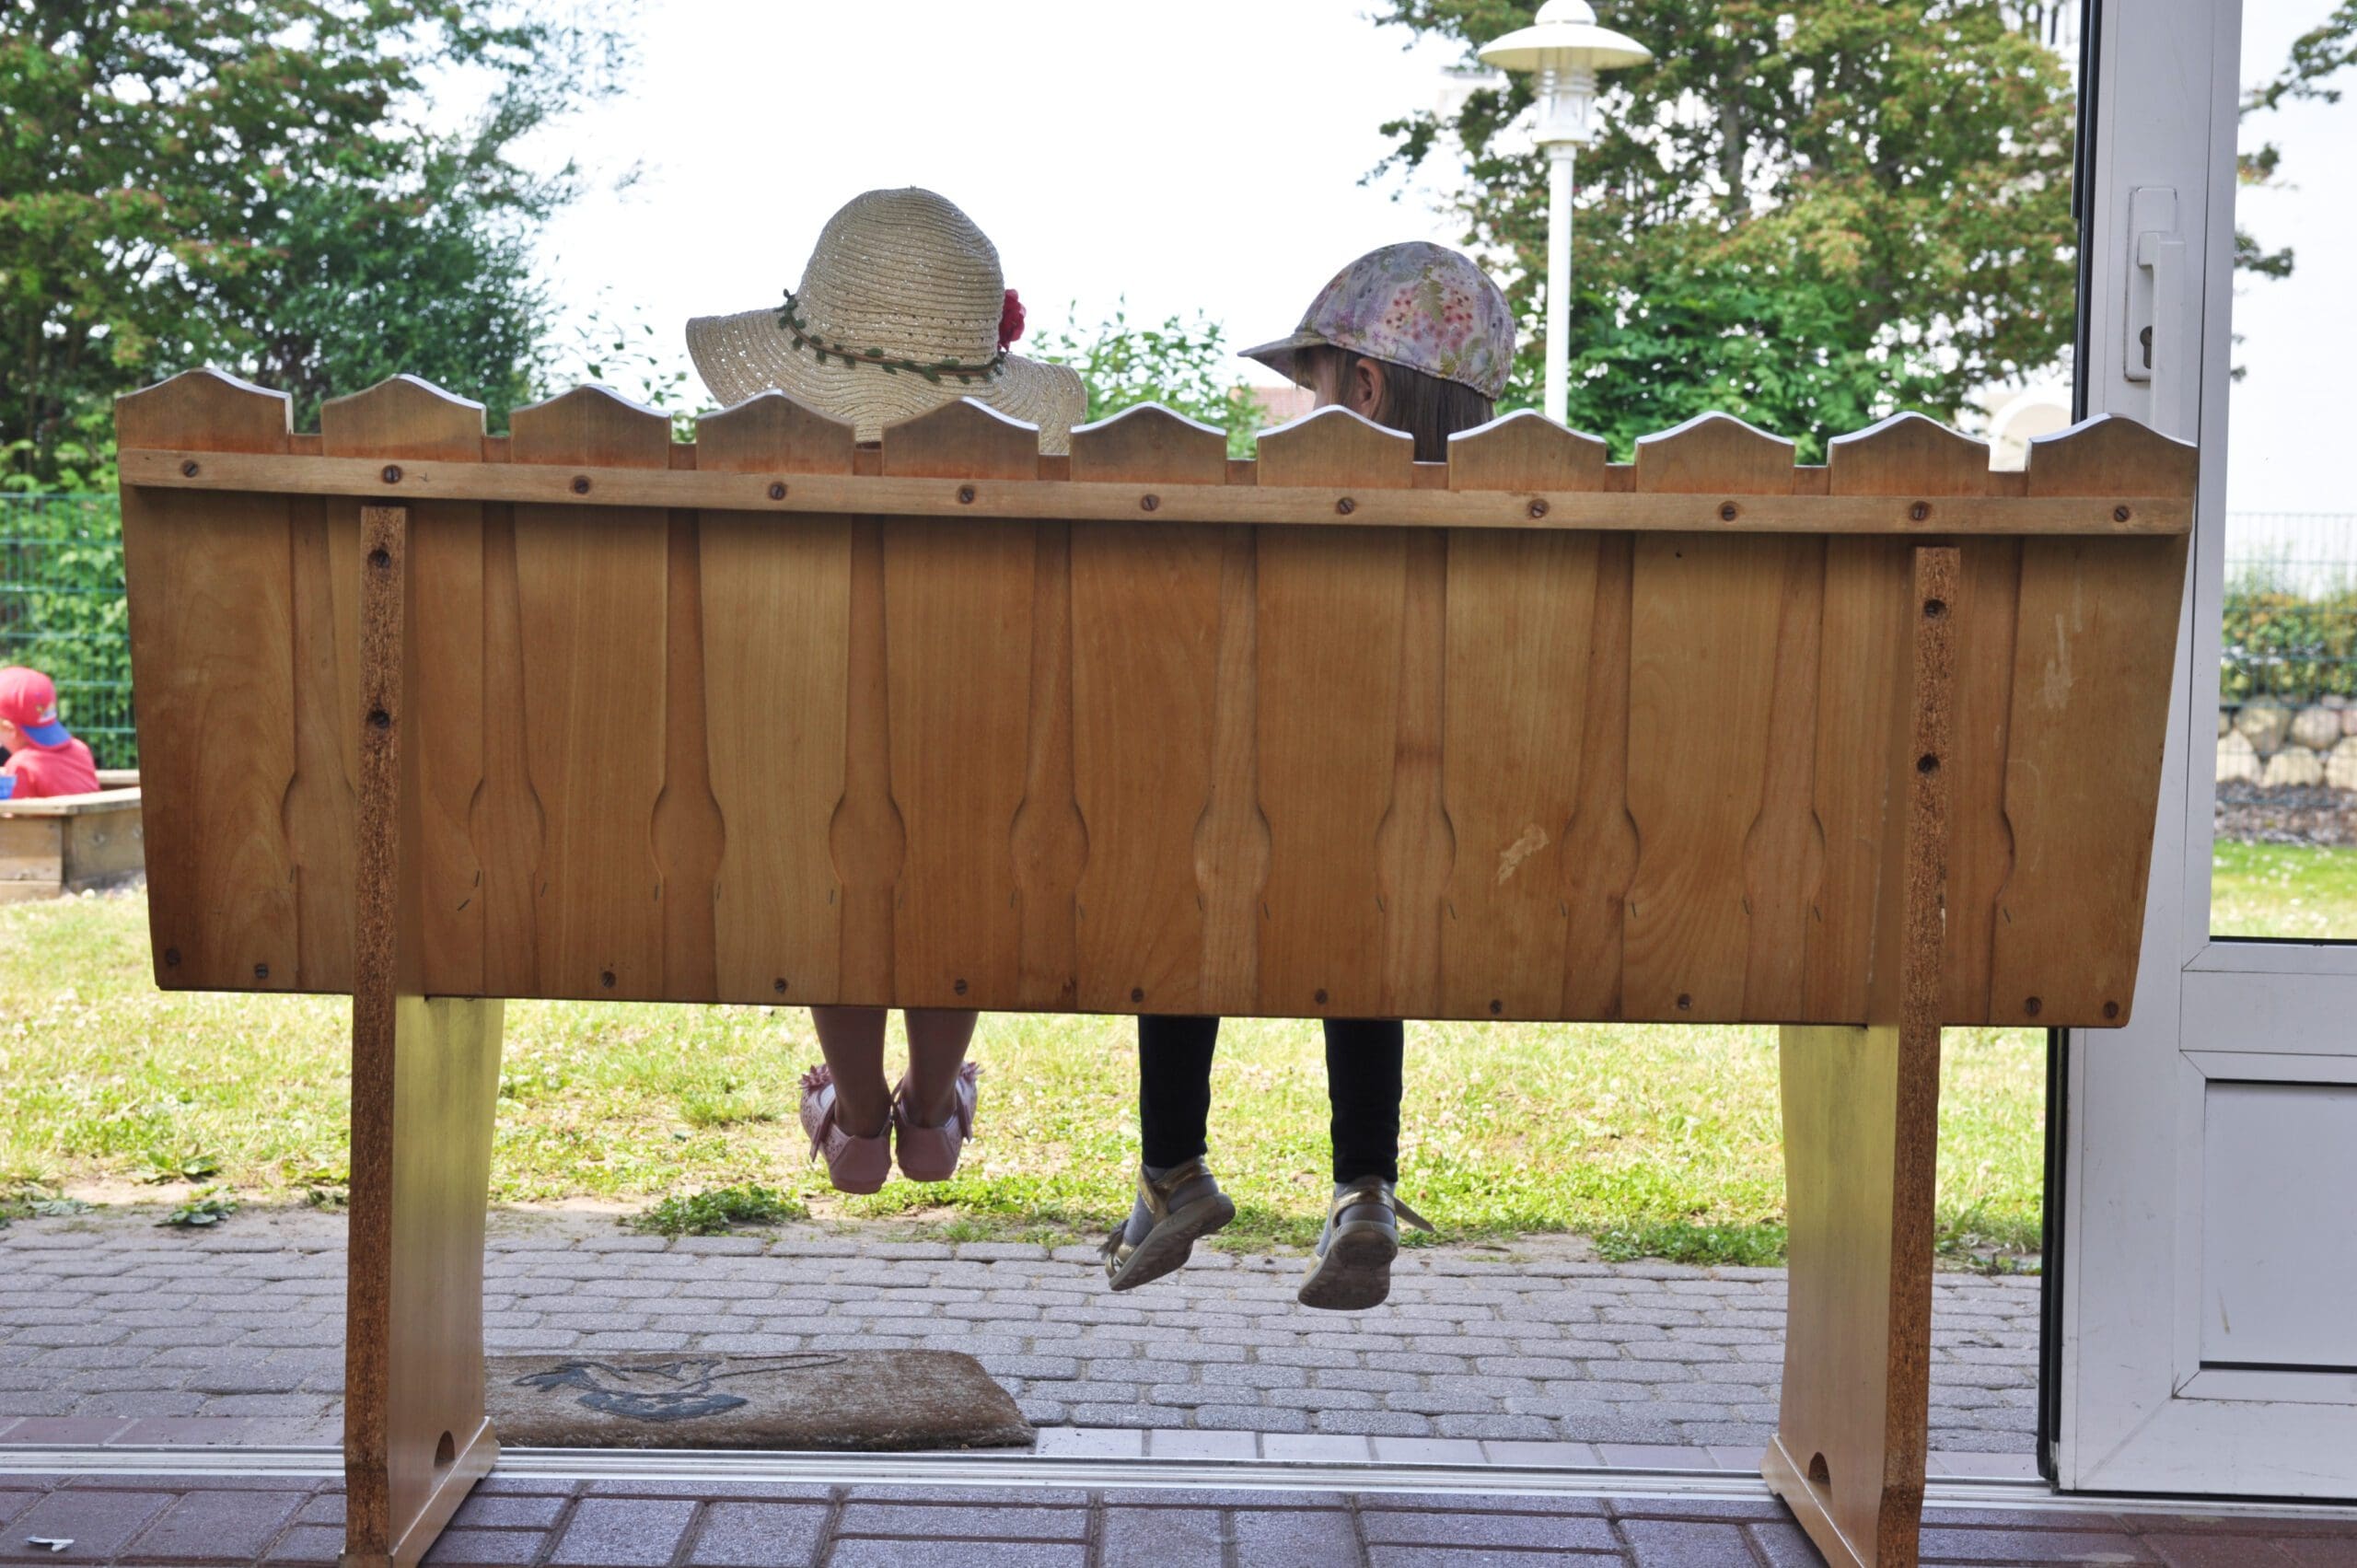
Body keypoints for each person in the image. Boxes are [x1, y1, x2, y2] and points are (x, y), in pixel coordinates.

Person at [1099, 242, 1515, 1310]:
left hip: (1250, 835)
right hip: (1436, 859)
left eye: (1310, 385)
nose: (1294, 410)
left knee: (1191, 870)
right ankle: (1366, 1187)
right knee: (1368, 906)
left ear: (1362, 388)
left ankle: (1173, 1168)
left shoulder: (1278, 511)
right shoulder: (1510, 521)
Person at [686, 188, 1085, 1193]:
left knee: (833, 859)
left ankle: (858, 1116)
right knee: (956, 853)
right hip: (973, 744)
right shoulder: (1012, 493)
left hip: (789, 749)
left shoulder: (758, 481)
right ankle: (938, 1102)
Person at [0, 667, 99, 802]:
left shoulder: (22, 766)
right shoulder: (80, 749)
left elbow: (14, 820)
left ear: (9, 729)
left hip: (52, 824)